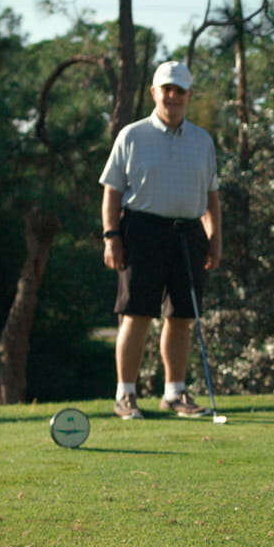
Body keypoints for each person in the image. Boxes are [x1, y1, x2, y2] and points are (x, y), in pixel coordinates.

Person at [100, 60, 222, 420]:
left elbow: (211, 196)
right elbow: (111, 192)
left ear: (189, 95)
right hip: (141, 231)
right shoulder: (132, 135)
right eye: (166, 89)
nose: (172, 96)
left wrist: (214, 239)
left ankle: (174, 393)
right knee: (136, 314)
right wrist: (111, 237)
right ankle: (126, 394)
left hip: (189, 233)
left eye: (179, 90)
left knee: (181, 316)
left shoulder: (202, 140)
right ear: (154, 92)